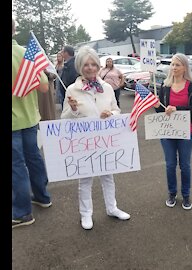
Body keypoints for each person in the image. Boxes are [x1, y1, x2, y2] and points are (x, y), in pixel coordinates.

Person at [61, 46, 130, 230]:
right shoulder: (72, 90)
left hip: (105, 141)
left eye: (93, 64)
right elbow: (63, 120)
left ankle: (112, 207)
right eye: (86, 64)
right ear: (79, 67)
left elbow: (117, 110)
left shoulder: (106, 88)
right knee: (85, 180)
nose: (90, 68)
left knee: (108, 176)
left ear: (98, 66)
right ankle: (86, 214)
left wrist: (112, 115)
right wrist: (74, 110)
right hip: (84, 143)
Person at [12, 18, 52, 229]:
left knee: (16, 166)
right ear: (15, 29)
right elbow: (44, 88)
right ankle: (43, 197)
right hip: (29, 118)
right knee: (34, 158)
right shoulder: (27, 54)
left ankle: (21, 213)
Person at [154, 53, 192, 210]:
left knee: (185, 165)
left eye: (177, 65)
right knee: (170, 165)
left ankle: (186, 195)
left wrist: (177, 109)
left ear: (184, 67)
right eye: (172, 64)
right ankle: (172, 193)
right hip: (167, 131)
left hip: (186, 131)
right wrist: (156, 106)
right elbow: (161, 110)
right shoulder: (165, 86)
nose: (174, 67)